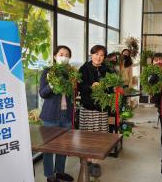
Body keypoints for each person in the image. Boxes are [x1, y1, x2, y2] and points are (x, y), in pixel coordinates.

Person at [39, 46, 75, 182]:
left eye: (67, 55)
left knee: (63, 146)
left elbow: (72, 94)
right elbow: (42, 93)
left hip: (66, 115)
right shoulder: (47, 72)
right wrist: (52, 85)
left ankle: (60, 172)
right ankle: (50, 176)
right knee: (48, 148)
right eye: (61, 54)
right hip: (50, 116)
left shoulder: (70, 73)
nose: (64, 57)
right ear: (55, 56)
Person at [78, 45, 112, 176]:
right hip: (88, 107)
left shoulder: (107, 69)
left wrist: (108, 88)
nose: (99, 57)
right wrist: (91, 86)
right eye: (96, 54)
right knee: (87, 135)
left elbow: (111, 87)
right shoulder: (84, 68)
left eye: (102, 55)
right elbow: (80, 86)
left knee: (100, 135)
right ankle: (87, 161)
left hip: (101, 108)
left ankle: (96, 162)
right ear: (91, 54)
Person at [149, 53, 162, 117]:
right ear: (152, 62)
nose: (158, 61)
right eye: (156, 60)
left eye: (161, 59)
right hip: (158, 100)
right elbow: (150, 85)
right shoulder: (151, 72)